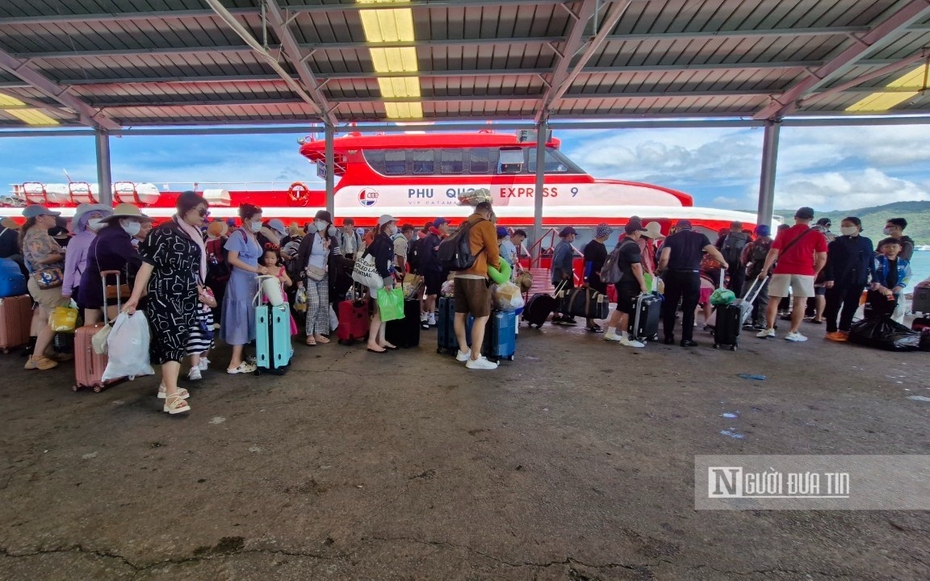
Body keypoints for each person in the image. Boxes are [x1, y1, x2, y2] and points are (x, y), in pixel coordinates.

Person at [122, 192, 210, 415]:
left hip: (188, 294)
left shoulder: (193, 233)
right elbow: (146, 266)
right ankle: (171, 396)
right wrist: (134, 297)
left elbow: (192, 268)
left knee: (179, 339)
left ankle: (166, 386)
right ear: (187, 209)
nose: (205, 216)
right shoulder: (163, 232)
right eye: (202, 211)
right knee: (171, 338)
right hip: (164, 294)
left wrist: (200, 288)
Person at [755, 207, 828, 343]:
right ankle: (792, 332)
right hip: (805, 271)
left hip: (782, 269)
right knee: (800, 302)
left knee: (774, 300)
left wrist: (765, 270)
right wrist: (815, 272)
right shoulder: (817, 235)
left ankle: (769, 329)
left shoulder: (784, 233)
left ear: (795, 217)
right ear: (811, 219)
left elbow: (773, 252)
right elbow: (822, 257)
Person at [657, 219, 728, 347]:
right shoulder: (700, 237)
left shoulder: (671, 238)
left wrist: (660, 269)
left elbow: (664, 258)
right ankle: (686, 339)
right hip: (692, 275)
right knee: (689, 308)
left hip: (673, 274)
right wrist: (724, 263)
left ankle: (668, 337)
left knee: (670, 307)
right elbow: (714, 252)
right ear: (690, 227)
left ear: (678, 228)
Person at [221, 203, 274, 374]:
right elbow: (233, 259)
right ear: (245, 220)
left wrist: (260, 268)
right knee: (240, 319)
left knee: (247, 318)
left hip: (251, 282)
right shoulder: (238, 235)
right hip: (241, 282)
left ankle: (241, 356)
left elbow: (251, 259)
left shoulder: (252, 235)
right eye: (257, 220)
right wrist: (257, 269)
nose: (260, 223)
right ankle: (234, 363)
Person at [451, 201, 501, 370]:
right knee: (482, 316)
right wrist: (497, 269)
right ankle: (475, 357)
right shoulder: (485, 225)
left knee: (460, 314)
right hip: (477, 275)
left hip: (459, 274)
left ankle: (463, 350)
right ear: (488, 212)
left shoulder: (464, 223)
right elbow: (494, 252)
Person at [79, 204, 148, 326]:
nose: (137, 224)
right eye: (134, 221)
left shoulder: (107, 233)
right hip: (106, 287)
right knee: (123, 324)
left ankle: (87, 345)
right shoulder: (117, 236)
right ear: (122, 221)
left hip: (92, 285)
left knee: (90, 327)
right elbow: (134, 258)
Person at [20, 205, 70, 370]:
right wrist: (64, 253)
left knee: (44, 318)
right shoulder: (37, 235)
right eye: (50, 215)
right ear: (39, 218)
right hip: (49, 282)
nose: (54, 218)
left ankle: (44, 352)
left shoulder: (33, 234)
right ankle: (38, 357)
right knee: (57, 318)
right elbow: (42, 259)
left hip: (40, 282)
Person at [823, 217, 874, 342]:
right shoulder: (836, 242)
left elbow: (871, 261)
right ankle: (831, 330)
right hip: (839, 278)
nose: (845, 227)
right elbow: (829, 261)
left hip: (858, 279)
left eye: (848, 225)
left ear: (858, 226)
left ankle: (844, 329)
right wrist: (829, 277)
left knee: (851, 305)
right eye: (843, 225)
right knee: (833, 305)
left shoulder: (866, 242)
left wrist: (875, 278)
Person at [295, 210, 342, 346]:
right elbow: (300, 257)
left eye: (321, 220)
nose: (318, 223)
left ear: (328, 224)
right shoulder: (309, 238)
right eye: (316, 220)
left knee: (323, 304)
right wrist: (299, 278)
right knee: (314, 304)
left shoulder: (332, 239)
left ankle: (318, 332)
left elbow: (337, 257)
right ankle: (309, 333)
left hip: (324, 276)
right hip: (309, 275)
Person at [603, 220, 650, 347]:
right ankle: (626, 338)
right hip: (629, 282)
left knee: (621, 307)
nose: (641, 233)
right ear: (635, 231)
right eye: (640, 230)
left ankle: (611, 332)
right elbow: (635, 266)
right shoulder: (632, 246)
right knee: (629, 310)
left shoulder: (621, 243)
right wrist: (642, 284)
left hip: (620, 280)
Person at [62, 203, 111, 306]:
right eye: (93, 217)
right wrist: (66, 289)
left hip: (105, 283)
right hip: (83, 284)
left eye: (100, 217)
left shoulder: (106, 238)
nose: (97, 219)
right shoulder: (77, 240)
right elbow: (70, 265)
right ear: (85, 220)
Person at [364, 215, 400, 353]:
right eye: (393, 223)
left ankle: (382, 339)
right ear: (387, 225)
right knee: (379, 312)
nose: (395, 226)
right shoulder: (383, 241)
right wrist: (387, 281)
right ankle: (372, 342)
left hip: (379, 278)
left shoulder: (381, 240)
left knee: (383, 310)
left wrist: (393, 272)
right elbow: (380, 263)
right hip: (380, 280)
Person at [740, 224, 773, 330]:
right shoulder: (774, 245)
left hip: (753, 274)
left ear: (756, 233)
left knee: (747, 297)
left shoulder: (751, 245)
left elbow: (744, 260)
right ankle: (762, 322)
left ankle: (746, 320)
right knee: (766, 299)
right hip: (770, 275)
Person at [870, 238, 912, 321]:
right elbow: (869, 274)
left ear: (900, 248)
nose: (891, 249)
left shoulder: (903, 263)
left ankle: (893, 329)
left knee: (897, 310)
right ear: (882, 249)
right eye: (887, 247)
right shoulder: (877, 260)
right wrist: (879, 287)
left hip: (895, 290)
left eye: (894, 247)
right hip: (878, 290)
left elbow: (908, 275)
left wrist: (901, 286)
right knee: (875, 312)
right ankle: (875, 330)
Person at [419, 217, 449, 329]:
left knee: (435, 295)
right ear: (440, 225)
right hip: (431, 270)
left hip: (439, 270)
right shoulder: (430, 239)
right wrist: (422, 272)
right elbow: (425, 256)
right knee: (432, 295)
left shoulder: (441, 239)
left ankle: (431, 317)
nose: (448, 227)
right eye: (446, 224)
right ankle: (424, 315)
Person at [261, 247, 298, 335]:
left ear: (277, 259)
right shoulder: (262, 269)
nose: (269, 260)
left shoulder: (281, 269)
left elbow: (289, 283)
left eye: (272, 258)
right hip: (266, 297)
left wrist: (284, 279)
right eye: (267, 257)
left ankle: (283, 337)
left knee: (281, 316)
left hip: (280, 296)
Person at [582, 223, 612, 332]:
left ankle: (592, 320)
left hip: (600, 277)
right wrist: (586, 279)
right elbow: (589, 263)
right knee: (592, 299)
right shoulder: (592, 246)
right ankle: (589, 322)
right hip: (593, 277)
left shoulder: (601, 245)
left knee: (597, 299)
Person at [185, 285, 217, 381]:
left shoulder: (206, 288)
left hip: (207, 318)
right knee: (195, 342)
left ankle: (203, 359)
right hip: (193, 318)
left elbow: (214, 303)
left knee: (207, 340)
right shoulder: (186, 286)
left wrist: (204, 294)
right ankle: (194, 367)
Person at [551, 226, 578, 325]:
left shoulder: (561, 245)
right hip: (563, 276)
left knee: (560, 295)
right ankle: (564, 316)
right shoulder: (565, 246)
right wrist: (563, 272)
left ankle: (557, 315)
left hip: (558, 276)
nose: (573, 237)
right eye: (573, 235)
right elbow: (558, 261)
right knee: (566, 296)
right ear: (570, 235)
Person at [716, 220, 749, 293]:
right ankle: (737, 300)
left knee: (723, 282)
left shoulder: (724, 237)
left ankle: (722, 298)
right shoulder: (747, 238)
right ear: (742, 227)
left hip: (725, 264)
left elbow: (716, 250)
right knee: (739, 284)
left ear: (730, 226)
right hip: (740, 265)